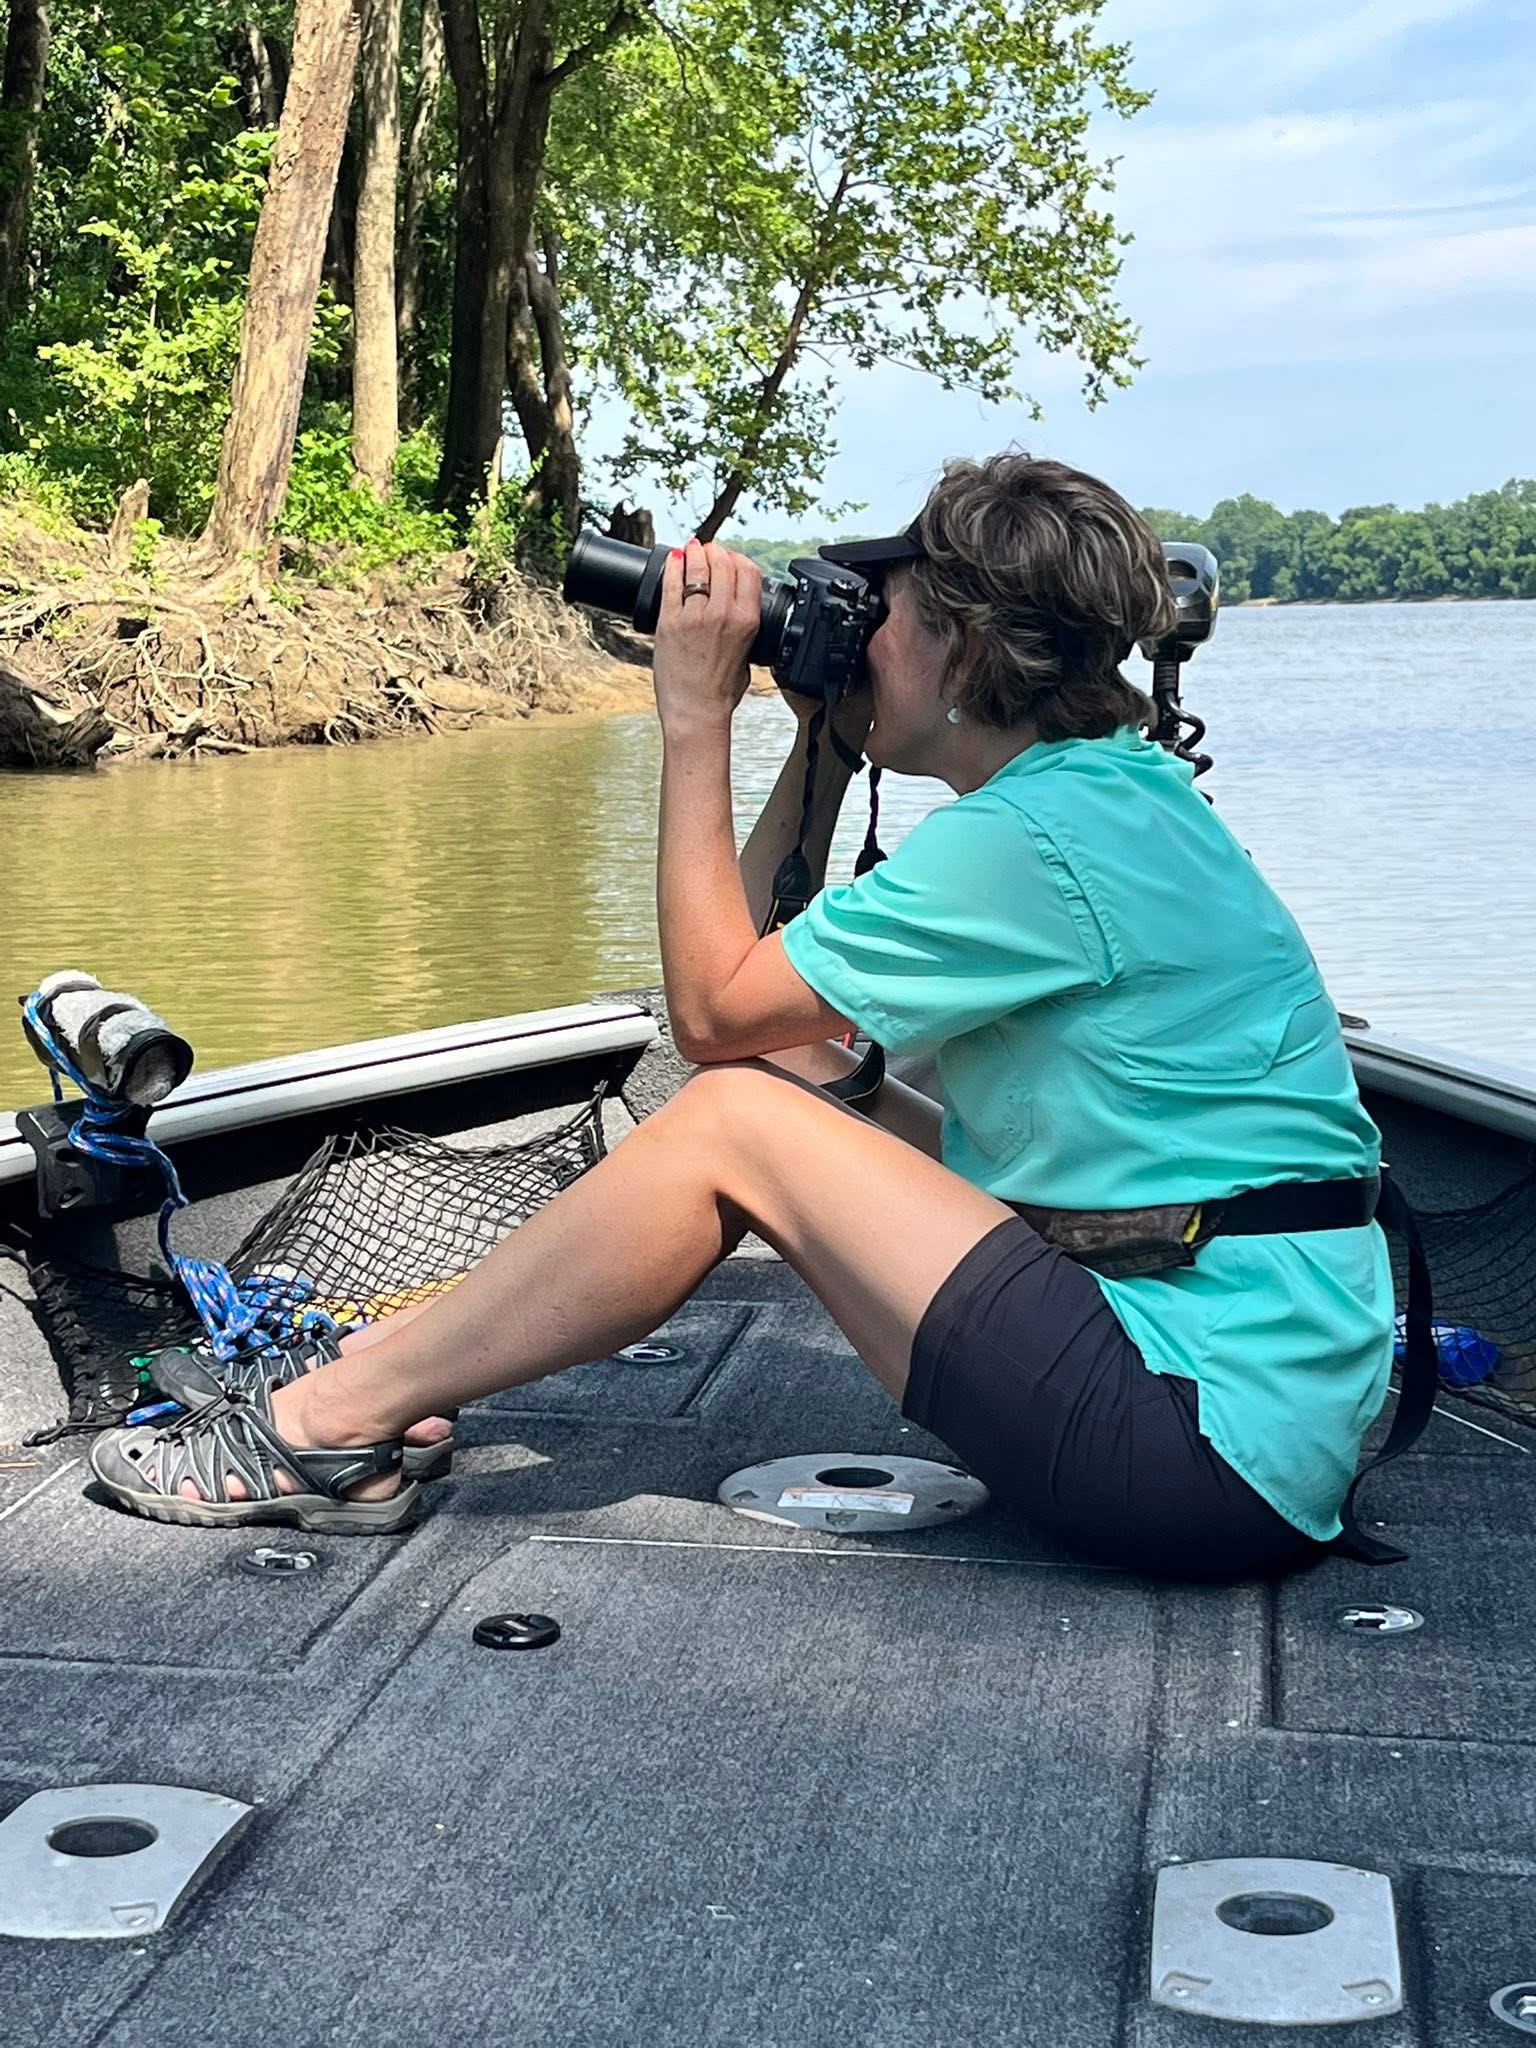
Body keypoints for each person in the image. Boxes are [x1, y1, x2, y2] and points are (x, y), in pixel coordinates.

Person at [91, 452, 1395, 1579]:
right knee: (787, 1084)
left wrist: (693, 716)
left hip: (1198, 1441)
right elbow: (765, 1012)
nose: (863, 630)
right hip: (1222, 1394)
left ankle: (322, 1427)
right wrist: (821, 754)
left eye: (887, 608)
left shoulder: (1033, 841)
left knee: (730, 1122)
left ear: (971, 650)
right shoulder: (1097, 796)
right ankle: (387, 1386)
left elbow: (708, 1018)